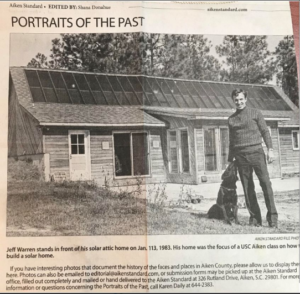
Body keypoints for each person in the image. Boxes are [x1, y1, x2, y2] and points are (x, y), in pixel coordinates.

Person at [228, 88, 278, 228]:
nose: (239, 102)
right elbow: (232, 141)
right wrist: (230, 159)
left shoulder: (256, 113)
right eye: (236, 100)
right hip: (240, 157)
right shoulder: (231, 119)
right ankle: (255, 219)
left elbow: (265, 132)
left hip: (257, 153)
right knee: (248, 188)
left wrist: (270, 150)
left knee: (266, 185)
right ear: (233, 101)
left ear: (246, 99)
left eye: (241, 99)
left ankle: (273, 219)